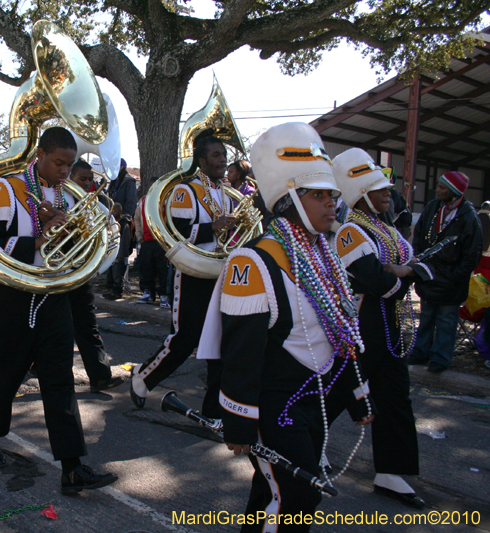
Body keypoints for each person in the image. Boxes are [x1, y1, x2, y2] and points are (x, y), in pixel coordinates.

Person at [199, 123, 372, 532]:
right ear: (291, 197)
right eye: (320, 195)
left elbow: (339, 332)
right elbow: (241, 354)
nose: (333, 203)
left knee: (270, 492)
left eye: (333, 194)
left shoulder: (322, 253)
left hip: (317, 398)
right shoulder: (254, 260)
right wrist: (239, 420)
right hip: (276, 406)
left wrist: (356, 394)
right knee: (297, 496)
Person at [0, 127, 117, 494]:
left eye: (69, 165)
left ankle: (73, 468)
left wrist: (74, 231)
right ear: (39, 154)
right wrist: (42, 236)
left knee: (60, 379)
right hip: (15, 293)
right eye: (58, 163)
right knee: (5, 370)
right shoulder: (6, 188)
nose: (64, 172)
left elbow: (80, 246)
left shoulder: (65, 195)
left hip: (55, 294)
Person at [330, 148, 428, 509]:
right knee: (342, 386)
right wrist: (403, 275)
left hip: (387, 318)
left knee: (394, 393)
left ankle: (391, 470)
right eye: (379, 189)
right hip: (364, 319)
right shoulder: (350, 231)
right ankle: (309, 445)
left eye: (386, 188)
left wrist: (403, 272)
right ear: (361, 195)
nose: (388, 193)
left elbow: (400, 268)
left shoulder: (384, 227)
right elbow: (374, 280)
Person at [129, 136, 236, 416]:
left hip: (221, 273)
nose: (222, 160)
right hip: (193, 273)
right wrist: (214, 226)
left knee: (221, 341)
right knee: (185, 339)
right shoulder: (185, 192)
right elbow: (175, 234)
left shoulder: (227, 193)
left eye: (223, 154)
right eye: (215, 155)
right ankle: (142, 378)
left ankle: (214, 409)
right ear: (201, 161)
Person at [408, 171, 482, 373]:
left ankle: (440, 359)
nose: (437, 190)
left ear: (454, 192)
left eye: (442, 187)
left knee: (446, 322)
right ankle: (420, 352)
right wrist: (418, 261)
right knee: (426, 318)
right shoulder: (432, 208)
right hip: (428, 274)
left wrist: (454, 277)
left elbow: (472, 254)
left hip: (451, 282)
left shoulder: (468, 217)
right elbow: (419, 235)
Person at [67, 160, 125, 392]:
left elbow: (104, 237)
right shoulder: (56, 199)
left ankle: (100, 376)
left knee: (87, 325)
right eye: (83, 179)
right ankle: (33, 366)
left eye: (91, 180)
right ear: (69, 178)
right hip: (56, 273)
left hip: (80, 273)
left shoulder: (94, 203)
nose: (89, 183)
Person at [103, 159, 137, 299]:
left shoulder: (129, 182)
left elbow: (131, 203)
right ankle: (110, 286)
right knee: (110, 254)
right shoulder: (114, 182)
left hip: (123, 223)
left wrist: (123, 218)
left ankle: (118, 289)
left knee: (120, 256)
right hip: (112, 222)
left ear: (121, 167)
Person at [133, 191, 169, 308]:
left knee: (163, 270)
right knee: (146, 268)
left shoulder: (166, 200)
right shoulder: (142, 202)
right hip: (147, 241)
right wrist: (140, 237)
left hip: (162, 243)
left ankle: (164, 295)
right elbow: (137, 219)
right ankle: (148, 292)